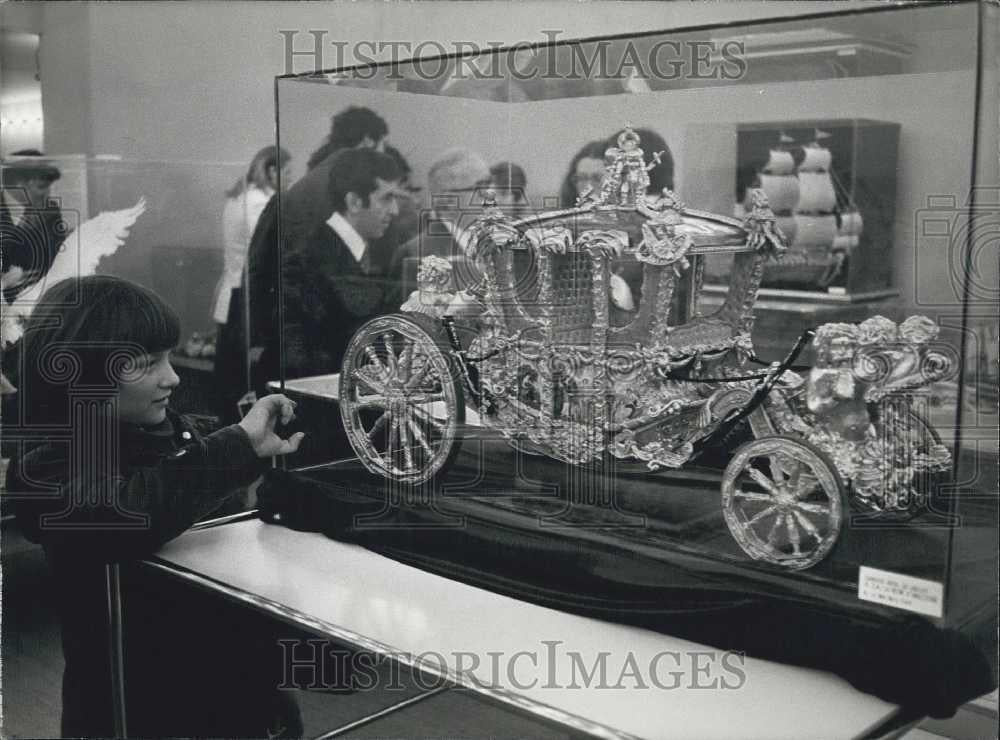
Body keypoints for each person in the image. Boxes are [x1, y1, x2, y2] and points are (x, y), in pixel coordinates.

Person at [5, 275, 305, 737]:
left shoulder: (173, 432)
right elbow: (125, 513)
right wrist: (236, 447)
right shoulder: (46, 462)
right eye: (146, 364)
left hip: (223, 696)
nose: (173, 377)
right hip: (133, 710)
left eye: (167, 357)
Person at [246, 106, 389, 391]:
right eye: (381, 147)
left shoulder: (291, 195)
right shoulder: (364, 198)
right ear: (367, 143)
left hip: (287, 352)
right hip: (344, 356)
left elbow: (257, 267)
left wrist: (260, 340)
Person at [280, 147, 402, 379]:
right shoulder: (307, 261)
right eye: (387, 198)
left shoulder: (367, 253)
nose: (395, 210)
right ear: (354, 202)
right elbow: (302, 361)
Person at [211, 145, 290, 421]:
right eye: (288, 174)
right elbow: (265, 254)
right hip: (244, 297)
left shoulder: (239, 198)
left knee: (230, 373)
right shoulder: (260, 203)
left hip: (231, 292)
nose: (290, 181)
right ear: (272, 171)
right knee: (243, 378)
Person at [390, 147, 490, 296]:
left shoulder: (504, 244)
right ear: (448, 199)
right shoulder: (415, 254)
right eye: (480, 187)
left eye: (490, 184)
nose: (490, 194)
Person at [1, 149, 66, 303]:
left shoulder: (50, 209)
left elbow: (58, 259)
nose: (48, 194)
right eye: (42, 187)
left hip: (45, 302)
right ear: (19, 185)